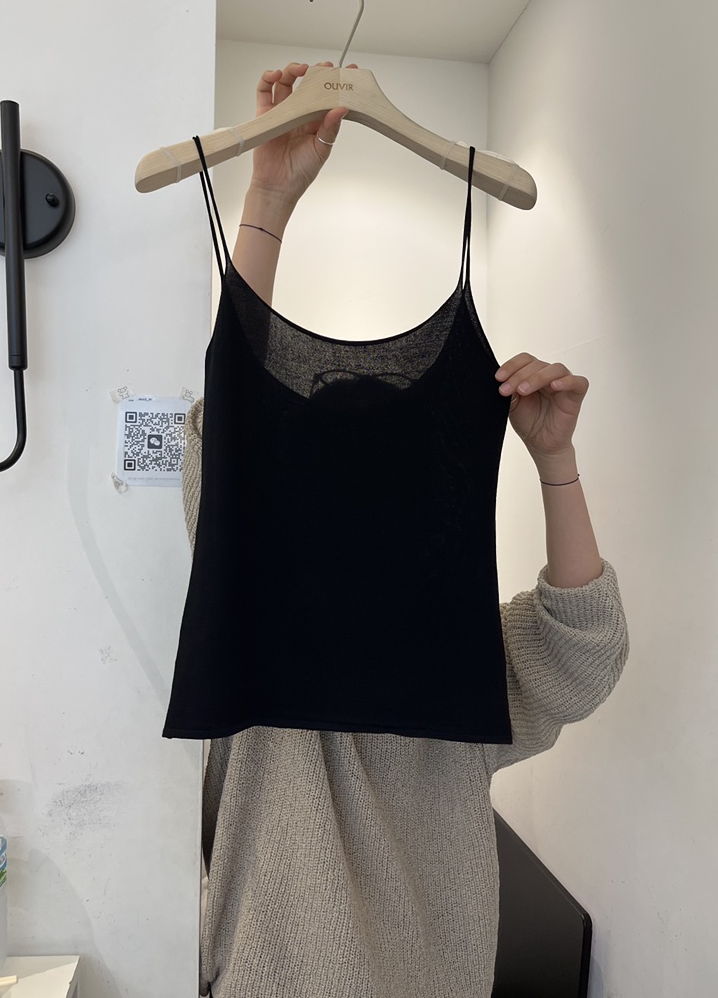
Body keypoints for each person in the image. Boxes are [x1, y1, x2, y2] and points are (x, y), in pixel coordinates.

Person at [182, 63, 629, 998]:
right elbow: (228, 448)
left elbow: (580, 651)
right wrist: (266, 200)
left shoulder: (456, 656)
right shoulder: (257, 624)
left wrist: (554, 459)